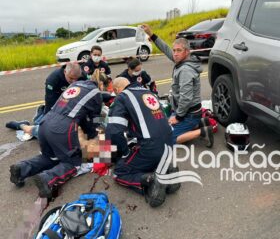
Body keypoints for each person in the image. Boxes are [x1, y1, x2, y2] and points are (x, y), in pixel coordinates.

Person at [9, 76, 103, 198]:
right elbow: (93, 121)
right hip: (63, 128)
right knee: (74, 164)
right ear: (101, 85)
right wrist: (93, 135)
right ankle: (47, 179)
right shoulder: (96, 94)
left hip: (45, 122)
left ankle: (21, 168)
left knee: (51, 157)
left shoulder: (76, 84)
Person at [106, 77, 176, 207]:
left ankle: (151, 182)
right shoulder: (148, 92)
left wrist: (124, 152)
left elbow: (114, 131)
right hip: (170, 143)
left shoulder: (122, 97)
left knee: (120, 171)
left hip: (152, 147)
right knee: (143, 156)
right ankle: (165, 171)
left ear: (116, 90)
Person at [141, 24, 214, 147]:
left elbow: (186, 98)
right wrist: (152, 35)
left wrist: (178, 117)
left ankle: (203, 131)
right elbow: (166, 49)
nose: (174, 53)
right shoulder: (183, 60)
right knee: (163, 125)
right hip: (185, 110)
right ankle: (201, 122)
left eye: (178, 50)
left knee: (168, 138)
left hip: (188, 114)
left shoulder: (185, 70)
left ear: (187, 52)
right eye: (174, 50)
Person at [5, 62, 82, 138]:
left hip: (72, 104)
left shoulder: (81, 76)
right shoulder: (53, 79)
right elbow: (50, 103)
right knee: (44, 130)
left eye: (76, 79)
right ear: (65, 72)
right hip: (57, 102)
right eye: (71, 78)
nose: (74, 82)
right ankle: (23, 125)